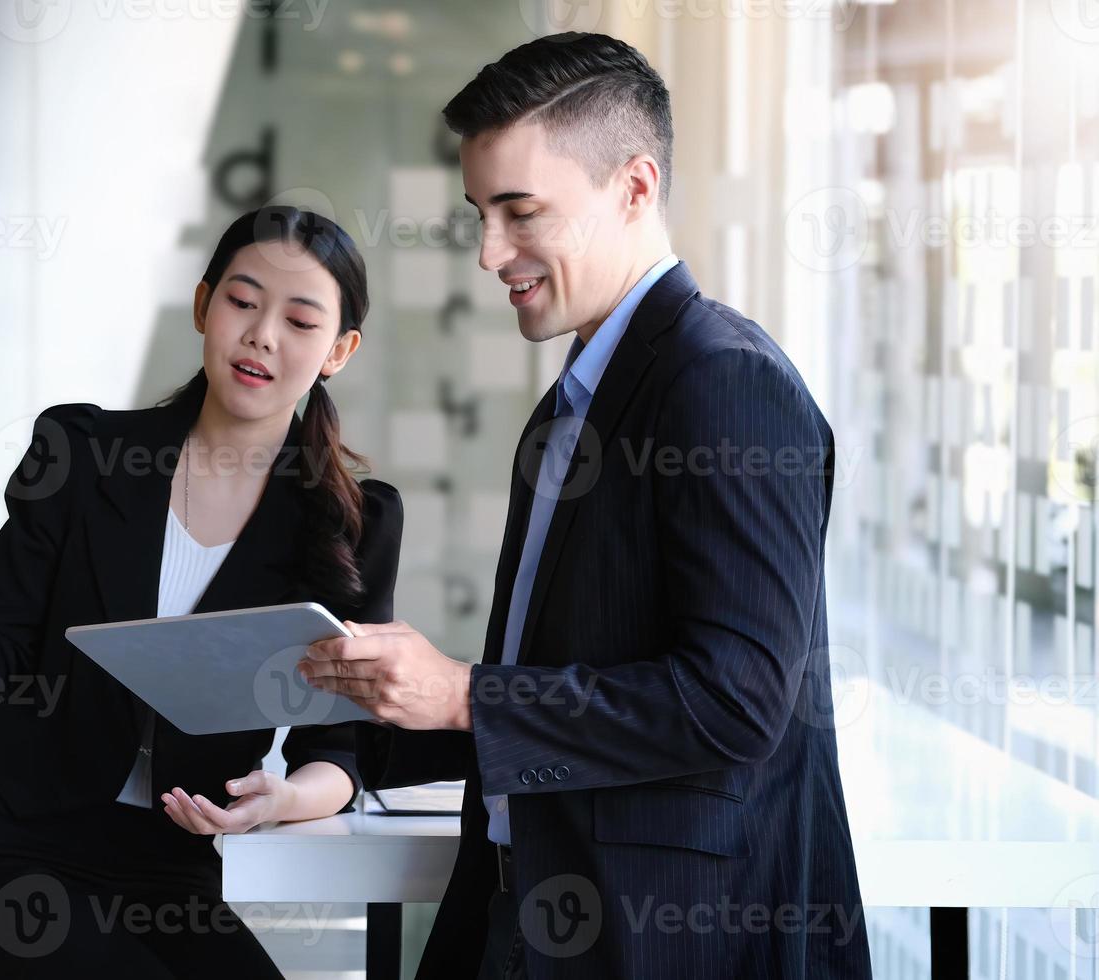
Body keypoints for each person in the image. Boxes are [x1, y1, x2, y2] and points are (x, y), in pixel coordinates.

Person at [302, 33, 872, 979]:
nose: (490, 253)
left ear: (635, 188)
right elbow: (574, 672)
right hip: (533, 907)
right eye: (481, 213)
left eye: (521, 212)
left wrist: (463, 694)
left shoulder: (723, 380)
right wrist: (341, 760)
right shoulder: (575, 401)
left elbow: (737, 699)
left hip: (663, 938)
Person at [0, 205, 403, 978]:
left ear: (339, 350)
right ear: (203, 307)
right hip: (8, 851)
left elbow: (340, 751)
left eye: (300, 321)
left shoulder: (353, 521)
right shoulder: (82, 454)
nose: (262, 335)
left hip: (171, 871)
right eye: (241, 301)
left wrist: (280, 800)